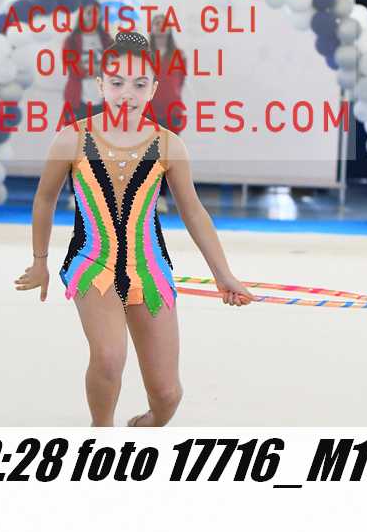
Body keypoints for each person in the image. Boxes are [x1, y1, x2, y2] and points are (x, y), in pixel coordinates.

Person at [14, 31, 253, 428]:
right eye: (117, 82)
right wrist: (40, 261)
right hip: (92, 262)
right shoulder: (72, 139)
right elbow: (44, 199)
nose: (127, 93)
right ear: (100, 84)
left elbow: (194, 212)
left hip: (149, 268)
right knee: (109, 358)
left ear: (154, 88)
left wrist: (223, 274)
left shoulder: (169, 145)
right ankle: (102, 432)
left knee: (167, 395)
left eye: (140, 84)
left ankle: (145, 424)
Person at [62, 2, 113, 210]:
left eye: (96, 13)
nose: (92, 17)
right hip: (78, 99)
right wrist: (93, 70)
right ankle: (74, 193)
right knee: (76, 148)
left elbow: (113, 66)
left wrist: (99, 71)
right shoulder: (72, 40)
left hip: (102, 100)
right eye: (89, 13)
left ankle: (97, 193)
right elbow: (71, 65)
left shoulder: (106, 40)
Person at [149, 14, 187, 213]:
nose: (161, 27)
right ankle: (146, 196)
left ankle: (161, 196)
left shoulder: (178, 55)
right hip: (149, 110)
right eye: (157, 24)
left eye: (164, 24)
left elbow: (179, 82)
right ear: (152, 28)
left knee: (165, 156)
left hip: (171, 111)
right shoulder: (145, 55)